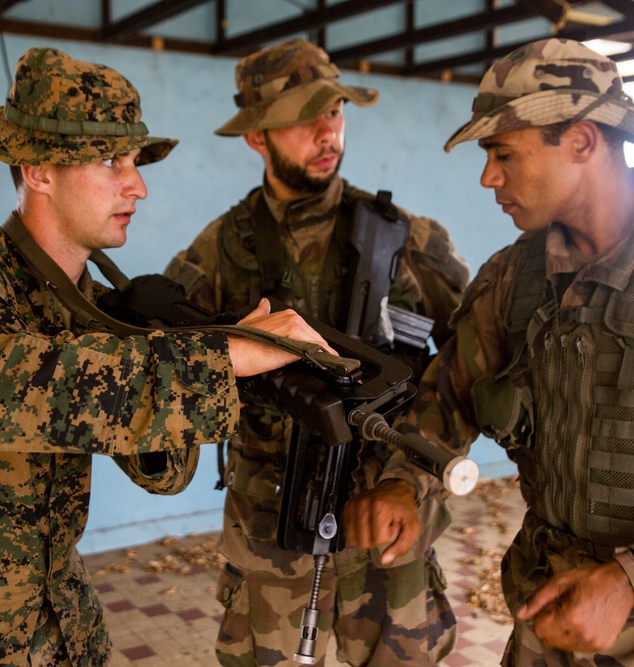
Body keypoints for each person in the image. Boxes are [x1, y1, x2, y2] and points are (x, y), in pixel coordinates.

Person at [0, 47, 333, 667]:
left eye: (136, 161)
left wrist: (199, 349)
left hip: (54, 626)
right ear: (37, 169)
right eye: (111, 161)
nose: (137, 184)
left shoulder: (91, 304)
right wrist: (220, 358)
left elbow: (164, 475)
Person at [401, 37, 634, 665]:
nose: (487, 177)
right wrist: (402, 482)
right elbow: (444, 398)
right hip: (548, 623)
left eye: (504, 153)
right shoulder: (517, 277)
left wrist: (633, 578)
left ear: (582, 142)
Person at [164, 38, 470, 667]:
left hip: (386, 526)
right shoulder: (220, 249)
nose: (326, 131)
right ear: (258, 138)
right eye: (304, 118)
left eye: (333, 112)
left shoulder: (404, 238)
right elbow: (166, 366)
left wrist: (415, 480)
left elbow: (473, 363)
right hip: (272, 527)